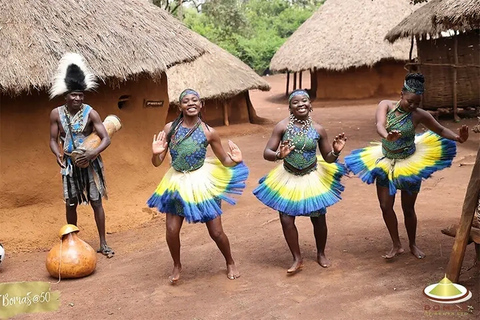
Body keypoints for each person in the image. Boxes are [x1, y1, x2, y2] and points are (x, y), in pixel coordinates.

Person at [345, 73, 469, 259]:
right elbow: (379, 124)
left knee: (408, 208)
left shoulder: (419, 115)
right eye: (410, 101)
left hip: (410, 163)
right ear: (401, 93)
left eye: (416, 103)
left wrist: (458, 138)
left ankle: (412, 243)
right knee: (385, 205)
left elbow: (441, 129)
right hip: (386, 161)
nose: (412, 106)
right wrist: (387, 135)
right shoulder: (385, 105)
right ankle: (396, 244)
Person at [147, 89, 249, 283]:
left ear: (201, 105)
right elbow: (157, 162)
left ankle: (230, 261)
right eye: (186, 101)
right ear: (180, 106)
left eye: (195, 100)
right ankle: (177, 265)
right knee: (171, 230)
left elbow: (225, 160)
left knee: (216, 231)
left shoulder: (209, 132)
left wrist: (235, 160)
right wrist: (155, 153)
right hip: (176, 182)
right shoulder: (170, 129)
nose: (191, 103)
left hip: (203, 181)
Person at [253, 89, 347, 273]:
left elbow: (328, 158)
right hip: (288, 176)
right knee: (286, 218)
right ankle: (297, 258)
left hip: (312, 176)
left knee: (318, 218)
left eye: (304, 101)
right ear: (290, 107)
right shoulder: (281, 127)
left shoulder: (318, 129)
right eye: (295, 102)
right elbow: (267, 153)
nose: (301, 104)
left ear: (310, 105)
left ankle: (321, 253)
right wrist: (279, 154)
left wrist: (336, 151)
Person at [49, 53, 114, 258]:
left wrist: (92, 153)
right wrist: (57, 153)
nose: (77, 98)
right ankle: (72, 242)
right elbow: (52, 139)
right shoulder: (56, 114)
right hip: (69, 163)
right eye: (74, 95)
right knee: (70, 202)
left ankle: (103, 243)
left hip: (91, 163)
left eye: (81, 95)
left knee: (96, 201)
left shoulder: (91, 113)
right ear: (66, 95)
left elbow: (106, 138)